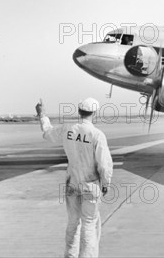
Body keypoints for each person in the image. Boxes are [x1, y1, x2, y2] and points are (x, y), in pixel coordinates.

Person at [37, 98, 113, 258]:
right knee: (89, 225)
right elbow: (104, 165)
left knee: (73, 224)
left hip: (72, 184)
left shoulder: (67, 129)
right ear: (94, 113)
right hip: (91, 186)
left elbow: (48, 133)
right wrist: (105, 184)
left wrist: (42, 114)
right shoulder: (97, 135)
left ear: (79, 112)